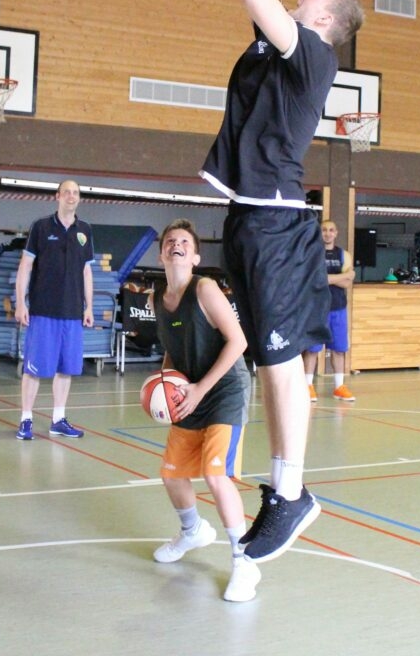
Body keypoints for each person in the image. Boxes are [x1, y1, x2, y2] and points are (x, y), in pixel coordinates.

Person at [200, 0, 365, 563]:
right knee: (270, 362)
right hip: (248, 218)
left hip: (275, 225)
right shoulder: (276, 47)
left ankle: (292, 493)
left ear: (325, 19)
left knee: (277, 363)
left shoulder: (314, 59)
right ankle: (287, 491)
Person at [149, 219, 258, 603]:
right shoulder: (157, 299)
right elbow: (172, 348)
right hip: (191, 392)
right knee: (172, 474)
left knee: (215, 474)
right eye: (169, 241)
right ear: (161, 254)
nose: (175, 245)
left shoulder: (205, 288)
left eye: (184, 241)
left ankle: (244, 561)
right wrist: (165, 386)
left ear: (194, 256)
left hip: (224, 390)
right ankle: (193, 531)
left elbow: (238, 341)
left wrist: (199, 390)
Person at [14, 179, 94, 439]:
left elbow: (86, 271)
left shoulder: (85, 230)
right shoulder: (41, 227)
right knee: (34, 369)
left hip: (72, 313)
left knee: (66, 368)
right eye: (67, 192)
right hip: (43, 311)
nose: (71, 196)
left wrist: (89, 307)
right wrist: (21, 302)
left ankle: (58, 419)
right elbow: (25, 266)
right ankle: (26, 420)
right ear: (57, 196)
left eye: (76, 193)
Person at [303, 219, 356, 402]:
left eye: (331, 230)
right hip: (316, 308)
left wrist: (330, 278)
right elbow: (317, 280)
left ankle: (339, 387)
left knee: (339, 349)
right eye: (324, 230)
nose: (327, 233)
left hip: (338, 307)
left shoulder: (344, 255)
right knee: (312, 349)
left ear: (336, 233)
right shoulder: (311, 253)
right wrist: (345, 275)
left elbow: (347, 284)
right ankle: (308, 387)